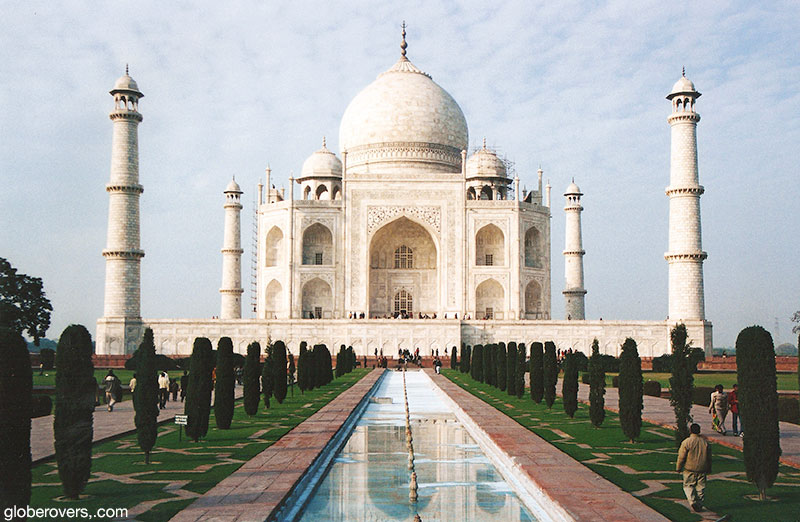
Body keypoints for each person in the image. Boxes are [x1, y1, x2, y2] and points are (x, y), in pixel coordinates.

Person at [676, 423, 712, 512]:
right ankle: (699, 504)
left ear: (690, 431)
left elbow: (681, 456)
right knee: (701, 488)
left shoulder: (687, 442)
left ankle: (692, 502)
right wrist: (709, 468)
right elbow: (709, 458)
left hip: (690, 469)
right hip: (702, 468)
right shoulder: (705, 443)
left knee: (688, 486)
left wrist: (678, 467)